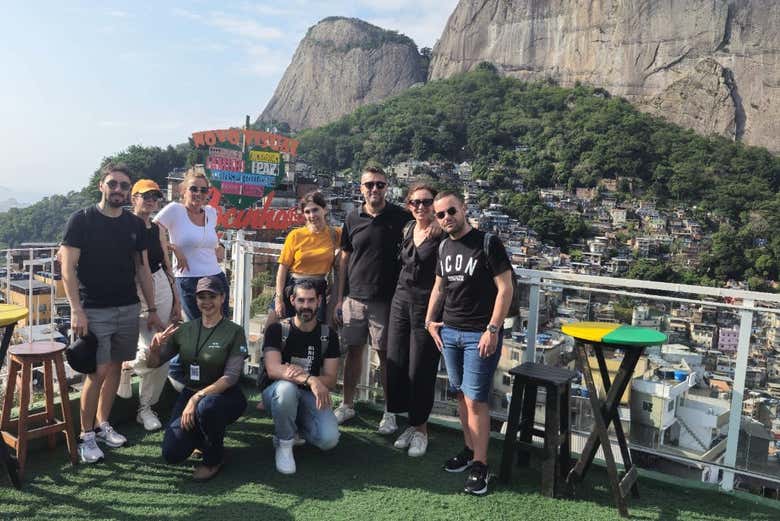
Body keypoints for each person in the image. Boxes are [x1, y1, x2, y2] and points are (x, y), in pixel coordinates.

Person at [60, 163, 164, 464]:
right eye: (113, 184)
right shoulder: (82, 220)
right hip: (94, 309)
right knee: (98, 372)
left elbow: (143, 268)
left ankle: (104, 424)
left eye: (123, 186)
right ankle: (87, 435)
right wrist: (76, 310)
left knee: (117, 367)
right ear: (101, 186)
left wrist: (152, 308)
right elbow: (67, 267)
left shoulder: (133, 225)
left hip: (128, 306)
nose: (118, 189)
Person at [424, 191, 514, 496]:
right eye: (440, 215)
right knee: (460, 395)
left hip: (479, 334)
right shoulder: (444, 246)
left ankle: (480, 463)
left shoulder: (487, 242)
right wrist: (429, 320)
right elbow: (439, 287)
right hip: (450, 331)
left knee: (477, 400)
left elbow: (505, 289)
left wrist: (493, 328)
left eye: (451, 211)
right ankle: (468, 448)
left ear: (463, 209)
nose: (447, 217)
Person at [333, 166, 412, 434]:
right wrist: (338, 297)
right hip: (354, 297)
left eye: (379, 184)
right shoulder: (352, 217)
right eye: (369, 185)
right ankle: (347, 404)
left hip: (386, 299)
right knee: (353, 351)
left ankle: (390, 412)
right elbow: (344, 257)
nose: (374, 189)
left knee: (386, 357)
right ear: (361, 188)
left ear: (387, 187)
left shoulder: (401, 217)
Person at [147, 276, 248, 481]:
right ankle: (204, 440)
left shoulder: (234, 331)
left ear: (222, 298)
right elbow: (154, 363)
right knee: (172, 453)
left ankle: (213, 459)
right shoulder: (184, 330)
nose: (207, 301)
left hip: (224, 396)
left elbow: (230, 377)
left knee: (207, 407)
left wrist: (195, 399)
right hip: (190, 393)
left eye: (212, 296)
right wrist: (154, 350)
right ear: (195, 299)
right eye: (202, 296)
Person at [117, 179, 182, 431]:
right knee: (148, 346)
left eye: (155, 196)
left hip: (160, 284)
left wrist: (176, 299)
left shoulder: (157, 228)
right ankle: (127, 364)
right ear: (134, 198)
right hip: (130, 288)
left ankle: (146, 407)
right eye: (146, 196)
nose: (151, 200)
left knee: (161, 346)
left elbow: (167, 264)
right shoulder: (122, 225)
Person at [386, 183, 442, 457]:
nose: (420, 207)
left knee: (421, 367)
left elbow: (471, 228)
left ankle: (422, 430)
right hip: (400, 300)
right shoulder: (408, 228)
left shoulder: (443, 232)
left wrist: (442, 225)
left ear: (435, 203)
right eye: (415, 202)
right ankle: (410, 422)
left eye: (426, 202)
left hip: (427, 306)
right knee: (396, 360)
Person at [261, 281, 341, 474]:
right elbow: (273, 369)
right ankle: (285, 443)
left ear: (319, 301)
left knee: (328, 439)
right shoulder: (278, 330)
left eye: (311, 300)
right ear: (292, 300)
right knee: (286, 389)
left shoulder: (327, 334)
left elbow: (330, 378)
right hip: (277, 394)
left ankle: (295, 429)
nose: (306, 306)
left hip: (309, 396)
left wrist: (307, 379)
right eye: (301, 300)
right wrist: (311, 379)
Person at [154, 168, 227, 320]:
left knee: (221, 328)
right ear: (183, 191)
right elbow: (150, 231)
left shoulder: (211, 212)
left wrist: (219, 247)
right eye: (193, 188)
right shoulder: (175, 210)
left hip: (216, 278)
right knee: (195, 329)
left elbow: (210, 238)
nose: (199, 193)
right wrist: (173, 247)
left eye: (204, 190)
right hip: (188, 279)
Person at [269, 191, 340, 325]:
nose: (312, 215)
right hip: (293, 285)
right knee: (273, 327)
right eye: (307, 212)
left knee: (312, 330)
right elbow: (283, 268)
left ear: (324, 209)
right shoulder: (296, 235)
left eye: (315, 210)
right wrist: (279, 298)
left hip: (317, 288)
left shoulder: (335, 234)